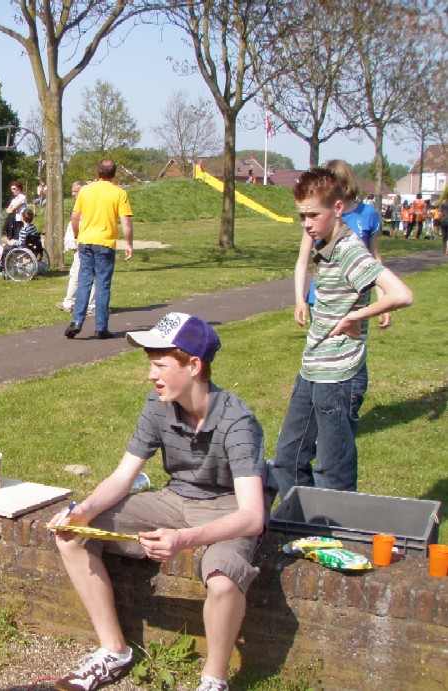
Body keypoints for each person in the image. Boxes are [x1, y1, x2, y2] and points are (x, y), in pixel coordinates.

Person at [53, 313, 268, 691]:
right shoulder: (157, 406)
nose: (151, 375)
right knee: (70, 535)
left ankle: (214, 681)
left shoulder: (238, 421)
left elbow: (252, 517)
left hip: (226, 511)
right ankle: (113, 651)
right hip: (172, 500)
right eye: (150, 365)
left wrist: (184, 540)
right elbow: (123, 477)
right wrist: (84, 510)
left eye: (160, 365)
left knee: (221, 581)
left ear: (194, 365)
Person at [272, 169, 413, 502]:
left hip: (339, 375)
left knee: (332, 470)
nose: (306, 223)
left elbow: (401, 294)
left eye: (312, 215)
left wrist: (356, 315)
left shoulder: (349, 250)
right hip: (313, 368)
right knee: (288, 459)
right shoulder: (326, 246)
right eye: (301, 216)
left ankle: (337, 535)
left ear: (337, 209)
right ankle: (303, 525)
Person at [294, 160, 391, 329]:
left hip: (354, 299)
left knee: (349, 349)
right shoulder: (315, 218)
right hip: (322, 297)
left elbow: (375, 260)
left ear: (345, 186)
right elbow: (302, 262)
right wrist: (299, 299)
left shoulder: (367, 214)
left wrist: (383, 300)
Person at [65, 159, 133, 340]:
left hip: (86, 241)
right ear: (114, 174)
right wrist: (129, 244)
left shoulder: (85, 190)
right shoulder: (119, 193)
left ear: (98, 172)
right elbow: (125, 221)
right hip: (105, 242)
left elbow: (75, 216)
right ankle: (101, 327)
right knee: (103, 284)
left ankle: (77, 321)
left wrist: (78, 236)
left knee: (84, 280)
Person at [58, 181, 95, 316]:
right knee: (75, 274)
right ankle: (70, 302)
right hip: (78, 246)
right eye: (72, 191)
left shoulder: (88, 205)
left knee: (84, 274)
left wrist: (78, 238)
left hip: (84, 245)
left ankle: (91, 305)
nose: (73, 194)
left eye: (76, 191)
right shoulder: (80, 204)